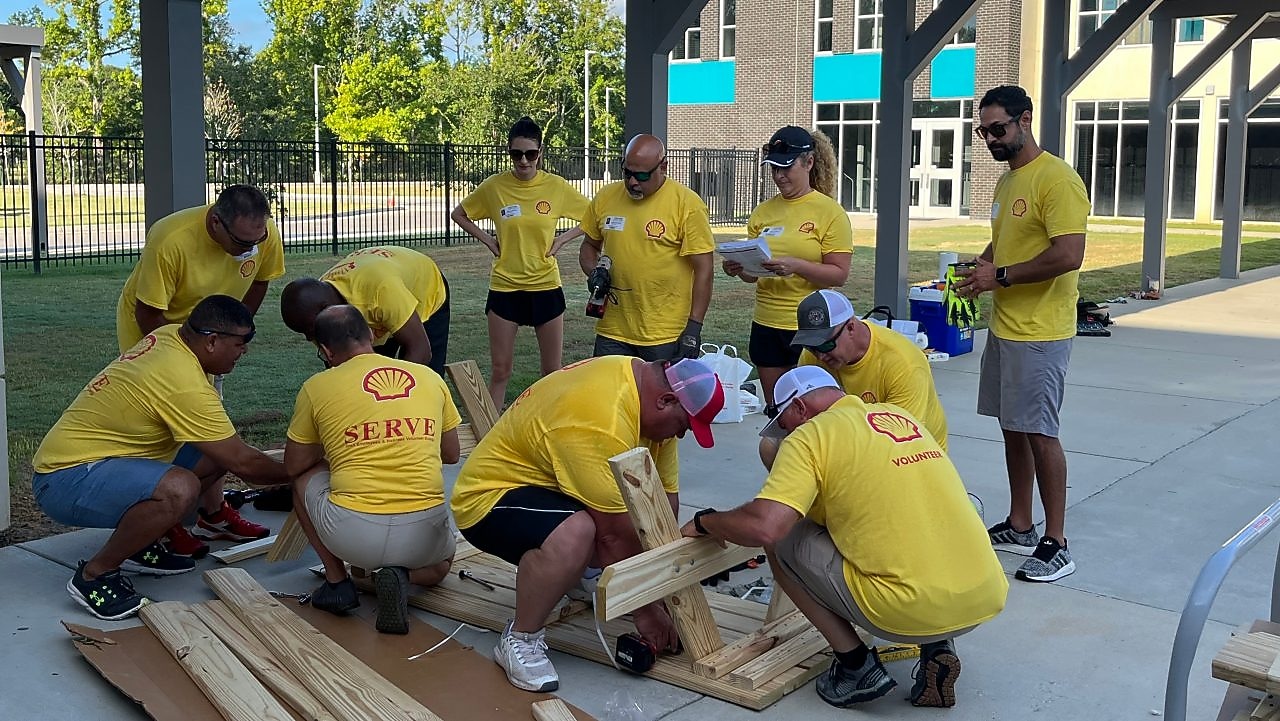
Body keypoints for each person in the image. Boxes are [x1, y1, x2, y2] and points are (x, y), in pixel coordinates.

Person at [681, 366, 1007, 709]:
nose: (785, 433)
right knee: (917, 528)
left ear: (799, 409)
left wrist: (708, 522)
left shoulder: (810, 436)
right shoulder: (897, 417)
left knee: (783, 539)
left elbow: (766, 525)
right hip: (983, 597)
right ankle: (938, 648)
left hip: (902, 612)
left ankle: (856, 667)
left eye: (784, 423)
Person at [450, 356, 724, 692]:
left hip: (550, 491)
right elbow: (614, 537)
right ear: (666, 401)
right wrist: (645, 610)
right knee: (577, 533)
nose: (682, 435)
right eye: (684, 425)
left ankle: (580, 574)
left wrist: (665, 586)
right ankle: (520, 638)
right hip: (487, 501)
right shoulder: (601, 420)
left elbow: (662, 504)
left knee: (601, 527)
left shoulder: (646, 397)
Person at [31, 295, 290, 621]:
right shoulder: (180, 379)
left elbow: (230, 454)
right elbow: (246, 465)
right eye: (241, 343)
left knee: (214, 454)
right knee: (178, 488)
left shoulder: (174, 337)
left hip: (102, 460)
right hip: (64, 478)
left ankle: (140, 543)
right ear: (211, 341)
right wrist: (303, 470)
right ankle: (95, 575)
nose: (245, 351)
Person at [954, 85, 1089, 584]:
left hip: (1042, 331)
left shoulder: (1057, 179)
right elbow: (1005, 240)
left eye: (998, 129)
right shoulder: (1009, 183)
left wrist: (1001, 278)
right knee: (1012, 425)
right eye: (983, 131)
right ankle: (1020, 522)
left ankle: (1057, 541)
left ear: (1025, 120)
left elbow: (1068, 254)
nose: (990, 139)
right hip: (1006, 328)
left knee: (1040, 431)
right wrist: (981, 268)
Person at [114, 184, 285, 556]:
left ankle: (213, 513)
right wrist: (181, 362)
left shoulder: (259, 233)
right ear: (216, 222)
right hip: (158, 331)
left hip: (210, 334)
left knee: (211, 424)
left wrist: (233, 337)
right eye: (241, 242)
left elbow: (259, 282)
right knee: (166, 431)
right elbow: (148, 312)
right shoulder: (171, 237)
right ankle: (162, 519)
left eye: (257, 240)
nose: (250, 250)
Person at [283, 305, 461, 634]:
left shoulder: (317, 387)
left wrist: (340, 452)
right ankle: (401, 576)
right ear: (373, 335)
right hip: (424, 536)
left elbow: (293, 464)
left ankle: (338, 583)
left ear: (325, 351)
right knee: (441, 567)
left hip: (352, 535)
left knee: (302, 478)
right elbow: (451, 454)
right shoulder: (428, 378)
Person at [450, 116, 590, 409]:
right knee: (501, 371)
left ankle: (545, 428)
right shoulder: (495, 187)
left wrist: (563, 239)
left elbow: (594, 216)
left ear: (541, 152)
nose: (523, 161)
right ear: (509, 153)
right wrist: (488, 240)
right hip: (505, 288)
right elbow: (459, 214)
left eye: (530, 153)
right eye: (516, 154)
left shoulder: (556, 187)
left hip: (545, 287)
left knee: (551, 372)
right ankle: (489, 434)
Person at [722, 126, 851, 408]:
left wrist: (797, 266)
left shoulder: (829, 212)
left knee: (814, 412)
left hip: (812, 326)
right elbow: (754, 277)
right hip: (767, 324)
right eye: (773, 169)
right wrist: (740, 267)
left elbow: (839, 275)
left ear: (809, 163)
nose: (779, 176)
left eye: (786, 167)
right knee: (778, 412)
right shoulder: (762, 213)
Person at [758, 289, 948, 468]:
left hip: (912, 453)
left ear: (850, 327)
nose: (820, 356)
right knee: (771, 447)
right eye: (810, 346)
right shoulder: (814, 358)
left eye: (825, 346)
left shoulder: (904, 364)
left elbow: (901, 439)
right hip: (849, 434)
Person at [578, 134, 714, 361]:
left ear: (663, 167)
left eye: (641, 175)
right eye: (627, 173)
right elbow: (589, 246)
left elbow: (704, 270)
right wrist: (594, 272)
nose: (632, 182)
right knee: (612, 395)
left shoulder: (687, 204)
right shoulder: (606, 197)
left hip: (664, 334)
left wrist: (693, 329)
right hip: (612, 331)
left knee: (660, 397)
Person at [280, 245, 450, 375]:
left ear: (326, 309)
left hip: (424, 287)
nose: (310, 337)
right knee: (369, 369)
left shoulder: (380, 290)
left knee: (424, 376)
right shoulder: (315, 309)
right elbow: (340, 368)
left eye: (309, 330)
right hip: (383, 300)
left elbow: (420, 350)